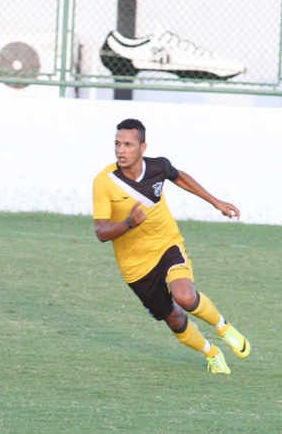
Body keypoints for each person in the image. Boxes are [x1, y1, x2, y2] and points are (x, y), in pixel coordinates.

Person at [92, 118, 250, 374]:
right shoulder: (104, 181)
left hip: (167, 245)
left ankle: (224, 327)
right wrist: (129, 223)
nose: (121, 150)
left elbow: (179, 177)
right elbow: (101, 232)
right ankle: (211, 353)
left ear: (142, 148)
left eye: (128, 144)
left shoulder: (158, 166)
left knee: (185, 297)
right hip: (135, 266)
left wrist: (215, 202)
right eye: (118, 144)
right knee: (174, 318)